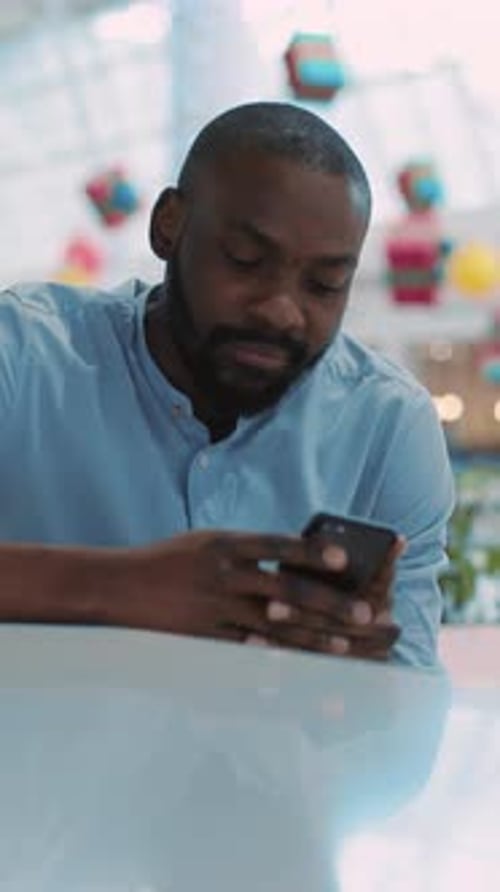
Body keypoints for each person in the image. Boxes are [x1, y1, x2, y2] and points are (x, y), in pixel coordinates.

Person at [0, 102, 454, 667]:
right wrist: (121, 588)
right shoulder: (23, 355)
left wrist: (360, 678)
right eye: (245, 260)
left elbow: (405, 702)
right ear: (169, 225)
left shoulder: (386, 425)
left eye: (325, 284)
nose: (282, 311)